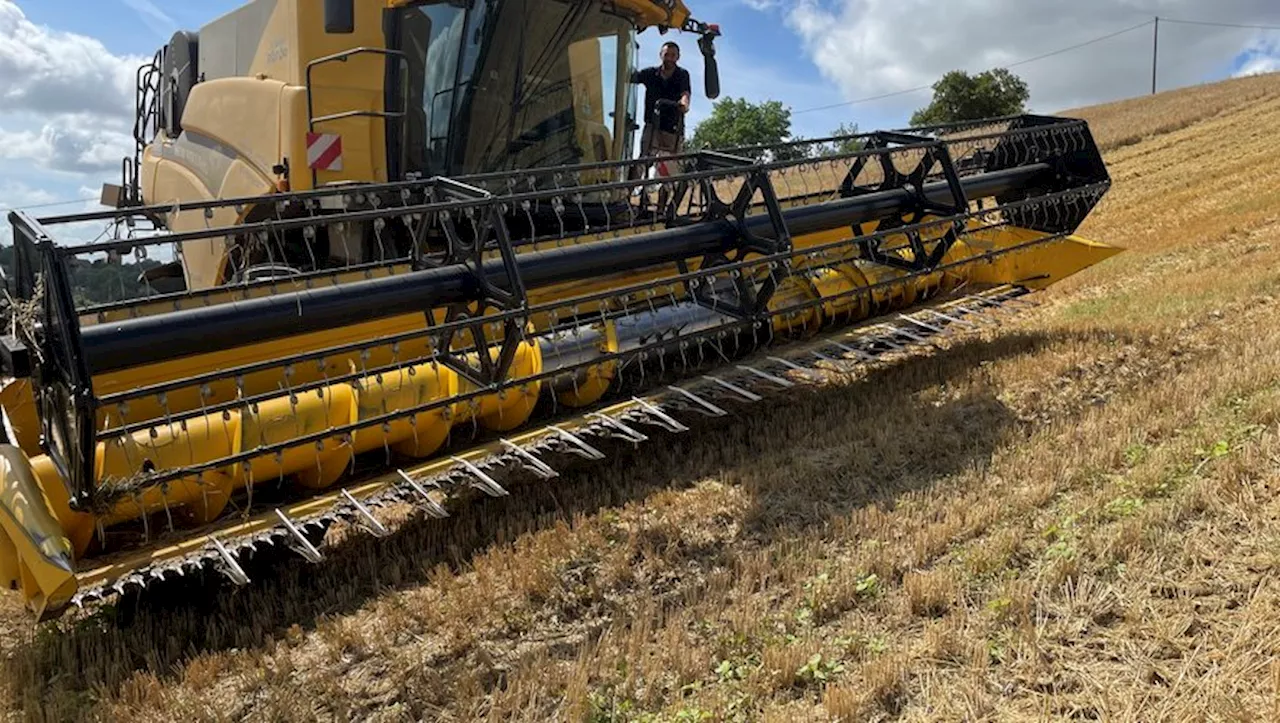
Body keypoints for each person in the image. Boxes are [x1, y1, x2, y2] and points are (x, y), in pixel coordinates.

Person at [631, 41, 692, 162]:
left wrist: (684, 104)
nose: (669, 58)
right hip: (652, 125)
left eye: (673, 55)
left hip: (673, 127)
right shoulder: (650, 73)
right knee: (643, 161)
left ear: (678, 57)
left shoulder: (682, 75)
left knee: (670, 164)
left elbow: (685, 93)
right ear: (660, 55)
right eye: (666, 55)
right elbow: (630, 77)